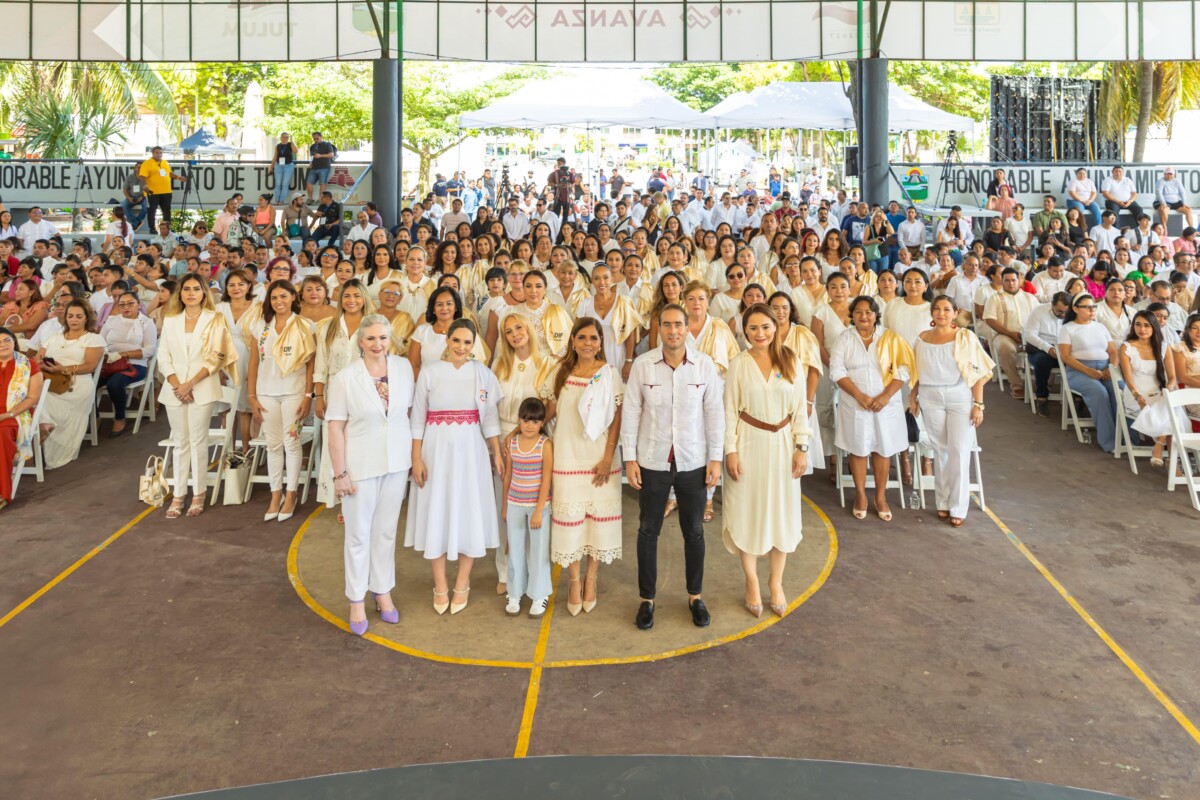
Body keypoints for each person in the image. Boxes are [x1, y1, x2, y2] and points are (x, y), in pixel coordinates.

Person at [622, 303, 724, 631]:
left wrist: (716, 458)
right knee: (648, 530)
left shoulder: (704, 366)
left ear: (687, 328)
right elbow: (631, 411)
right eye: (666, 324)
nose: (673, 331)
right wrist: (629, 458)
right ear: (659, 328)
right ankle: (647, 599)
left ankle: (695, 596)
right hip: (652, 461)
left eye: (678, 324)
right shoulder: (643, 365)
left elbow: (714, 413)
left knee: (693, 531)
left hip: (693, 460)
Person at [407, 318, 504, 615]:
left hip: (470, 452)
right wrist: (416, 458)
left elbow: (490, 418)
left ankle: (462, 581)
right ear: (447, 340)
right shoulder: (430, 372)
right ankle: (440, 584)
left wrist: (496, 453)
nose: (461, 347)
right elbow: (417, 420)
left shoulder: (482, 373)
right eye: (456, 340)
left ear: (474, 345)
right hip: (435, 451)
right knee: (436, 509)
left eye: (467, 342)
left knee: (467, 509)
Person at [326, 314, 415, 635]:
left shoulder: (404, 368)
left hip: (396, 463)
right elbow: (335, 427)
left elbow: (406, 415)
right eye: (371, 339)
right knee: (358, 535)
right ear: (360, 342)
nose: (378, 344)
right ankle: (356, 599)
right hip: (360, 467)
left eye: (383, 338)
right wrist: (340, 474)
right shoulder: (345, 378)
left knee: (386, 532)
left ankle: (383, 591)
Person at [723, 304, 811, 618]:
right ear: (744, 331)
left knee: (780, 513)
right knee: (747, 511)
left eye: (765, 327)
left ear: (775, 326)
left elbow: (800, 409)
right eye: (753, 328)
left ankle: (776, 582)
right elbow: (729, 409)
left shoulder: (791, 360)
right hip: (748, 443)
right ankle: (751, 581)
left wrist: (801, 446)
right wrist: (730, 450)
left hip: (783, 446)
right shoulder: (738, 363)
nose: (760, 333)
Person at [539, 317, 624, 617]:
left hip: (600, 458)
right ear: (573, 341)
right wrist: (521, 431)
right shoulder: (560, 372)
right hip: (567, 456)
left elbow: (616, 419)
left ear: (601, 343)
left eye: (594, 338)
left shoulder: (609, 374)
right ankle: (574, 581)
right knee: (570, 521)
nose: (588, 343)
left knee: (596, 521)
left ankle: (592, 579)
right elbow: (550, 411)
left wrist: (608, 458)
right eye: (582, 338)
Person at [157, 273, 239, 518]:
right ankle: (179, 494)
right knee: (180, 443)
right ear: (180, 293)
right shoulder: (171, 319)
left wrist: (190, 384)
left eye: (196, 289)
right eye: (186, 289)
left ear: (204, 292)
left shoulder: (215, 318)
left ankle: (199, 493)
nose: (191, 293)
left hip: (202, 386)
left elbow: (217, 356)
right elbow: (163, 356)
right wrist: (177, 384)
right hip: (174, 389)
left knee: (198, 441)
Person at [910, 296, 992, 526]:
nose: (941, 313)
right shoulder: (922, 338)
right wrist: (912, 396)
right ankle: (943, 502)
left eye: (947, 309)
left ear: (955, 313)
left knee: (959, 450)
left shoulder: (965, 337)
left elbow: (977, 372)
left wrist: (978, 404)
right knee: (940, 449)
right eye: (937, 309)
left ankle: (958, 506)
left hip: (959, 396)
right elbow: (917, 371)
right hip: (930, 396)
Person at [830, 296, 912, 521]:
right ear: (852, 315)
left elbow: (903, 369)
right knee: (858, 449)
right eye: (858, 312)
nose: (863, 316)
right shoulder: (844, 339)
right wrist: (858, 395)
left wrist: (885, 396)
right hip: (854, 403)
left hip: (886, 404)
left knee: (882, 449)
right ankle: (860, 496)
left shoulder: (890, 338)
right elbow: (836, 370)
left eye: (868, 312)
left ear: (876, 315)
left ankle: (880, 497)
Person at [246, 280, 315, 523]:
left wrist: (308, 396)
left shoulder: (306, 325)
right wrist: (251, 396)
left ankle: (291, 493)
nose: (279, 302)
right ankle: (276, 494)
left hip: (294, 393)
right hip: (266, 393)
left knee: (292, 444)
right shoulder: (260, 326)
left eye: (284, 296)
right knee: (273, 445)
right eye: (274, 298)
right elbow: (254, 362)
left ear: (294, 297)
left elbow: (311, 364)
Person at [500, 397, 554, 618]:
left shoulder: (545, 445)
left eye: (535, 421)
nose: (530, 425)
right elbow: (508, 476)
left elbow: (546, 479)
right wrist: (505, 506)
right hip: (515, 503)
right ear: (519, 420)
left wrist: (539, 510)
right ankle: (514, 592)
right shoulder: (512, 443)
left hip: (537, 507)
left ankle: (539, 594)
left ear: (542, 423)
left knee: (538, 552)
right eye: (525, 420)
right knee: (515, 549)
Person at [34, 300, 104, 471]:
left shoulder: (93, 338)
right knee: (32, 395)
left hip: (78, 383)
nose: (74, 320)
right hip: (50, 380)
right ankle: (44, 425)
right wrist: (43, 365)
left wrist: (63, 368)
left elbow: (89, 366)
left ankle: (43, 425)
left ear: (87, 318)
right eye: (70, 316)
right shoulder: (54, 338)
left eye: (79, 316)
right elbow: (36, 360)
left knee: (38, 398)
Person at [1119, 311, 1181, 465]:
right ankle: (1172, 463)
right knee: (1172, 416)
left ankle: (1160, 447)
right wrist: (1137, 395)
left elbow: (1172, 378)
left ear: (1154, 327)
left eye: (1147, 325)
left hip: (1160, 394)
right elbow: (1128, 379)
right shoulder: (1126, 347)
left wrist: (1168, 388)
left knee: (1171, 410)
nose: (1142, 329)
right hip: (1136, 395)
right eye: (1138, 324)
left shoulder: (1164, 347)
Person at [1060, 292, 1119, 452]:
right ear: (1075, 309)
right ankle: (1109, 442)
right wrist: (1088, 371)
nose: (1092, 310)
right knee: (1099, 392)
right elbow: (1065, 356)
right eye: (1087, 307)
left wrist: (1111, 367)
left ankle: (1127, 439)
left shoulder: (1100, 327)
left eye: (1094, 307)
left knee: (1120, 391)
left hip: (1105, 369)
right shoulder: (1067, 328)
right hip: (1079, 370)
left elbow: (1113, 352)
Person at [98, 290, 157, 438]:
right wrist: (107, 354)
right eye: (122, 304)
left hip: (134, 364)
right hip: (109, 362)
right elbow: (99, 341)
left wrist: (124, 354)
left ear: (139, 304)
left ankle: (120, 417)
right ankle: (95, 416)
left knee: (114, 383)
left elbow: (150, 349)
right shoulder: (111, 321)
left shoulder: (146, 322)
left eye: (130, 303)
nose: (126, 307)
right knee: (87, 383)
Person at [0, 326, 44, 508]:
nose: (3, 344)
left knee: (2, 433)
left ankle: (2, 493)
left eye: (7, 340)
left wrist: (7, 414)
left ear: (14, 342)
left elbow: (33, 398)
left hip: (15, 414)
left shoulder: (28, 364)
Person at [983, 268, 1039, 398]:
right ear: (1002, 281)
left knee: (1049, 348)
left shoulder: (1030, 298)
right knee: (1005, 347)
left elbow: (1039, 319)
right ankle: (1016, 385)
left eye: (1013, 280)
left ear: (1019, 280)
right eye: (1007, 281)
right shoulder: (994, 298)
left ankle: (1044, 385)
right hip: (1005, 335)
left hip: (1030, 336)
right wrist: (1010, 333)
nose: (1011, 283)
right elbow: (990, 320)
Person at [139, 146, 188, 231]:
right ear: (152, 153)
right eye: (157, 153)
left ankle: (167, 228)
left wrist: (179, 178)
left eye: (160, 153)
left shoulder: (164, 162)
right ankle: (152, 228)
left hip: (166, 191)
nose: (159, 154)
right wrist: (145, 186)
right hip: (153, 192)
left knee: (166, 210)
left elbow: (169, 173)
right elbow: (142, 176)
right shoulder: (147, 163)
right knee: (152, 211)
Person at [305, 132, 338, 202]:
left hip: (324, 167)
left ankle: (320, 199)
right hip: (314, 167)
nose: (315, 140)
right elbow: (312, 156)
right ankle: (310, 199)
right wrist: (311, 163)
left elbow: (331, 154)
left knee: (322, 183)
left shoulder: (327, 144)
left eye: (317, 138)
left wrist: (320, 156)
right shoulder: (313, 146)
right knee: (309, 183)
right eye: (314, 139)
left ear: (321, 137)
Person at [272, 133, 299, 205]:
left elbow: (295, 151)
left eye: (287, 137)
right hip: (278, 166)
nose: (285, 138)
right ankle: (277, 200)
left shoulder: (290, 144)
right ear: (281, 138)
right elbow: (275, 156)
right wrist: (271, 167)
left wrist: (292, 142)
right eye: (284, 137)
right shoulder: (278, 146)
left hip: (288, 166)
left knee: (285, 183)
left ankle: (281, 200)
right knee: (278, 183)